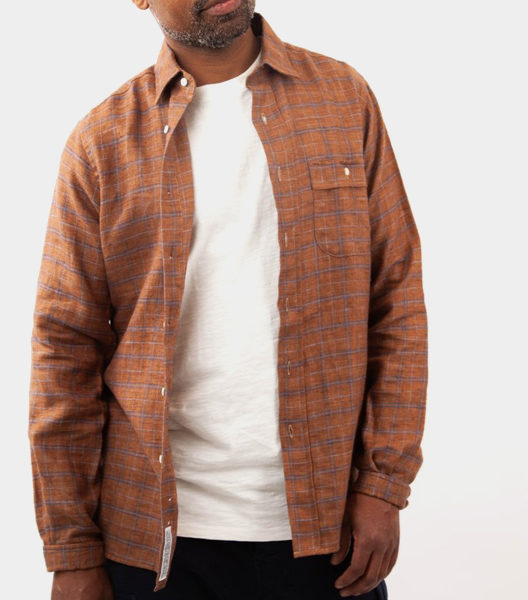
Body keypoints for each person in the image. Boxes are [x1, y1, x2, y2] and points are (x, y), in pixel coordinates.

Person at [28, 1, 428, 599]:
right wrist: (72, 553)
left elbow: (396, 297)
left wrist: (382, 483)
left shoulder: (343, 99)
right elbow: (65, 349)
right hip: (153, 542)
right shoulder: (102, 142)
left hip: (328, 528)